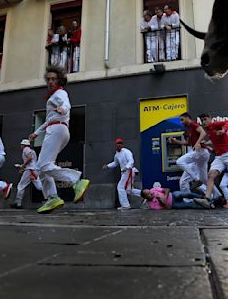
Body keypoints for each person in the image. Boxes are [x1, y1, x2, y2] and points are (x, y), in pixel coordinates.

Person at [29, 66, 90, 213]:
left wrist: (63, 108)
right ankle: (52, 198)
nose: (50, 81)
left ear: (59, 80)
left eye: (53, 79)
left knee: (43, 165)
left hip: (57, 130)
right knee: (42, 167)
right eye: (48, 79)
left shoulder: (60, 93)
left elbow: (66, 104)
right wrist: (37, 132)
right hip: (58, 128)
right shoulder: (53, 96)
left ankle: (76, 181)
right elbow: (50, 119)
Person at [193, 114, 228, 209]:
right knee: (211, 175)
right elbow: (215, 141)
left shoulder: (215, 125)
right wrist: (204, 144)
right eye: (202, 120)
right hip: (220, 157)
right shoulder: (208, 131)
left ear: (210, 119)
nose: (204, 121)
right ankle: (207, 199)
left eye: (205, 119)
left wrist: (223, 130)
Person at [169, 112, 210, 194]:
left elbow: (203, 132)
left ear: (187, 118)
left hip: (200, 152)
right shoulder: (189, 129)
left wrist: (198, 143)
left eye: (182, 120)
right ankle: (216, 196)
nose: (181, 122)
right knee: (204, 179)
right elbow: (187, 143)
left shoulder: (193, 124)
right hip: (202, 154)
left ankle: (196, 179)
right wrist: (175, 141)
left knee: (179, 161)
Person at [103, 138, 141, 210]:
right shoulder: (117, 154)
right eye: (118, 143)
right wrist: (107, 166)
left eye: (121, 143)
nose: (119, 145)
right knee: (129, 190)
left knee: (120, 187)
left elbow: (131, 161)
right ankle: (145, 195)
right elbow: (115, 163)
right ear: (116, 145)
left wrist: (126, 168)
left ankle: (125, 205)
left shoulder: (127, 152)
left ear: (122, 144)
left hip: (128, 171)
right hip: (124, 172)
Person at [11, 139, 46, 209]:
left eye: (21, 145)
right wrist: (23, 167)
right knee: (39, 186)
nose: (20, 146)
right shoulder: (32, 150)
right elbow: (31, 161)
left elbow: (29, 158)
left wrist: (23, 166)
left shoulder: (26, 149)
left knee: (21, 185)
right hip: (33, 170)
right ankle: (49, 197)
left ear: (23, 145)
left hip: (30, 170)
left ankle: (18, 203)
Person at [141, 187, 206, 209]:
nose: (151, 193)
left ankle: (204, 197)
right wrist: (161, 201)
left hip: (173, 195)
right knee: (190, 206)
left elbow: (167, 189)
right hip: (173, 204)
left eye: (150, 191)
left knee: (185, 194)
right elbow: (168, 208)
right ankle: (207, 206)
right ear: (146, 198)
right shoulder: (152, 205)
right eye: (149, 194)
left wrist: (165, 197)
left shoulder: (153, 189)